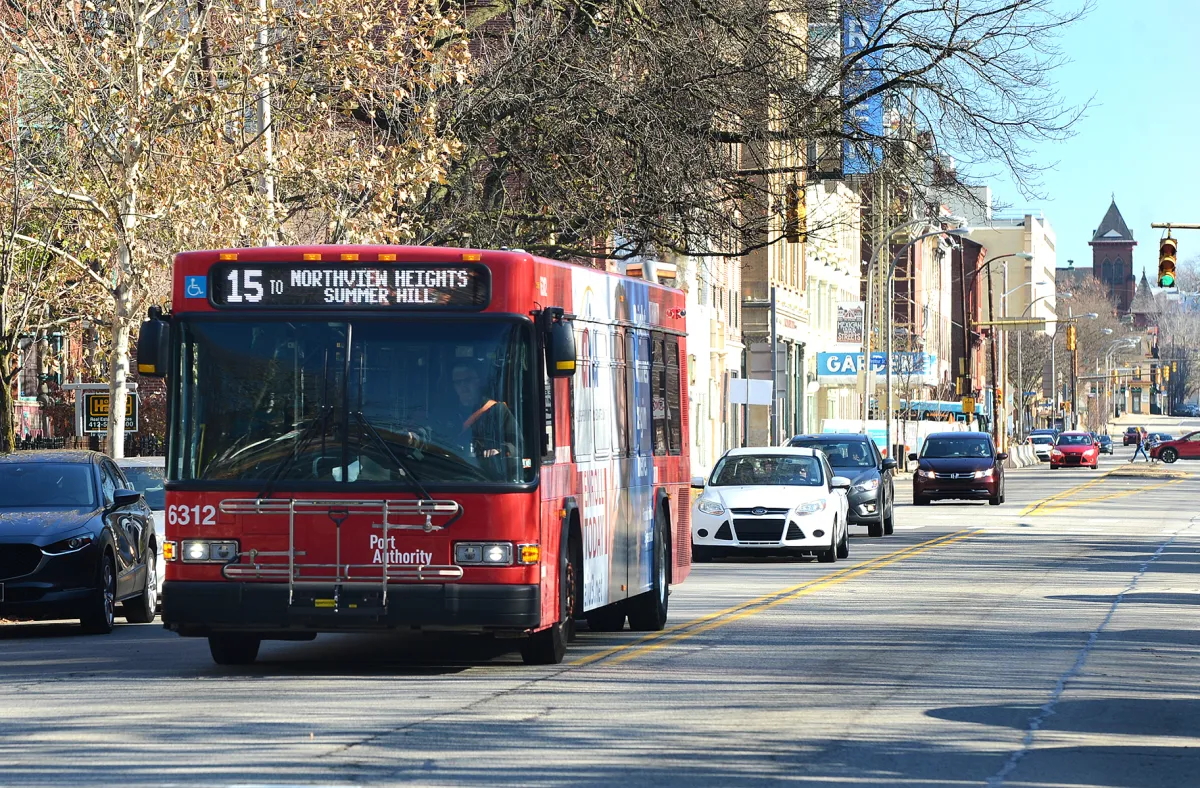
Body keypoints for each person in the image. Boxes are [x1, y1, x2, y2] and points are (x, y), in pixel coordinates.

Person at [445, 361, 518, 463]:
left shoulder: (498, 410)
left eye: (468, 380)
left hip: (487, 470)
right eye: (458, 382)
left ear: (478, 382)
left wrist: (501, 450)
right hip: (451, 469)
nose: (463, 386)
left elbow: (517, 446)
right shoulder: (446, 413)